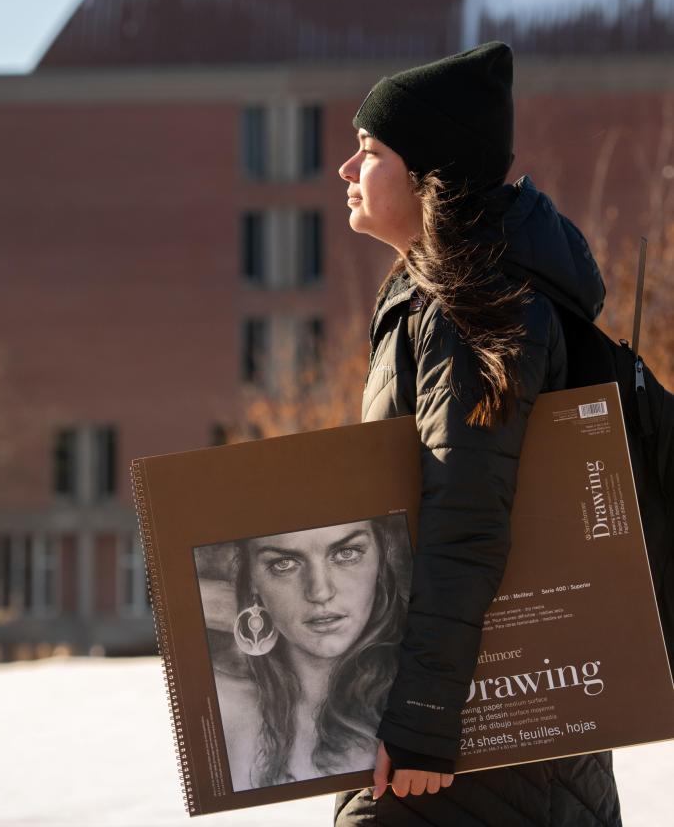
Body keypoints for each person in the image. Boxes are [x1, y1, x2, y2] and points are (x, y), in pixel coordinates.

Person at [334, 42, 623, 826]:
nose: (347, 170)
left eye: (370, 150)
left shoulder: (470, 310)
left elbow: (465, 522)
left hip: (462, 747)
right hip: (493, 733)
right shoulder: (455, 294)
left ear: (431, 176)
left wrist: (424, 717)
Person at [198, 516, 410, 790]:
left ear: (381, 561)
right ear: (251, 578)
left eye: (347, 553)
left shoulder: (423, 696)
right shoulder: (221, 710)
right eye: (283, 564)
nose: (320, 592)